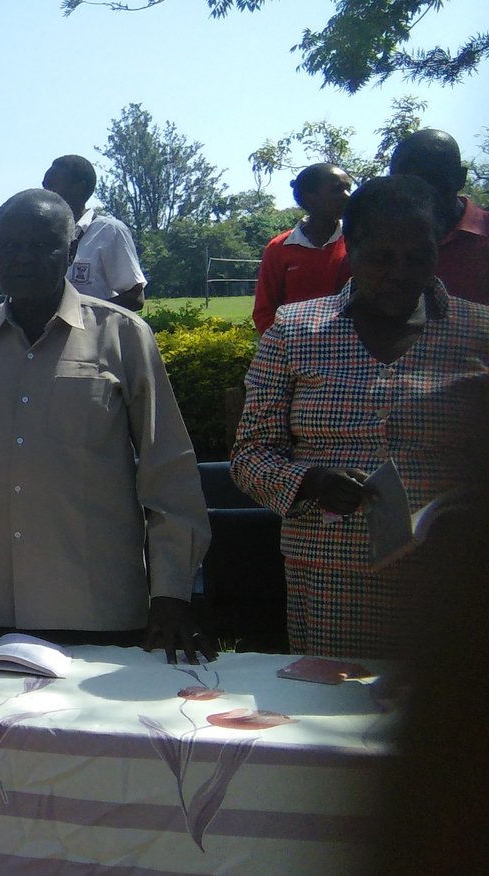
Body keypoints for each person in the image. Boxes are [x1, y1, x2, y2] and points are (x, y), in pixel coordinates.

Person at [0, 189, 212, 663]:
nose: (22, 258)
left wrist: (172, 591)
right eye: (9, 247)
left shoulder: (123, 336)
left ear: (72, 250)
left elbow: (169, 471)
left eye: (41, 246)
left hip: (98, 608)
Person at [231, 175, 489, 658]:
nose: (400, 273)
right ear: (350, 249)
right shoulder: (296, 331)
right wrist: (310, 481)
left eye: (418, 256)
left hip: (451, 582)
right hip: (331, 584)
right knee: (330, 701)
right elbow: (250, 456)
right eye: (381, 257)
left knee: (441, 703)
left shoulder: (478, 332)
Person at [389, 128, 489, 305]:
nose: (418, 193)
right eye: (405, 182)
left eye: (432, 178)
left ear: (460, 178)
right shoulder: (372, 242)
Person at [252, 163, 354, 334]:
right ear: (309, 198)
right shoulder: (279, 249)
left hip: (350, 345)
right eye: (336, 189)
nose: (347, 196)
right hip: (295, 347)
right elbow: (265, 312)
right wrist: (286, 343)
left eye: (348, 188)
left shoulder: (358, 241)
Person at [42, 154, 147, 311]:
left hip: (91, 327)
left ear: (79, 188)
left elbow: (135, 298)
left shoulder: (110, 231)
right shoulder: (40, 235)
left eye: (52, 186)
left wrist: (79, 314)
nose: (45, 194)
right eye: (44, 187)